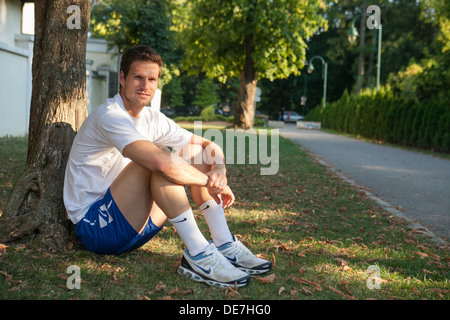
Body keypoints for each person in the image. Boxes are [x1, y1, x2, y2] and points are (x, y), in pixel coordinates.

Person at [63, 44, 271, 288]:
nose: (145, 85)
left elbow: (207, 145)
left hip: (135, 226)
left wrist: (219, 173)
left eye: (152, 79)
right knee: (160, 160)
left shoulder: (152, 118)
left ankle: (224, 243)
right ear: (122, 78)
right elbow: (161, 163)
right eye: (137, 77)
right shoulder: (110, 116)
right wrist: (208, 182)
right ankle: (199, 254)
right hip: (96, 227)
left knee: (194, 152)